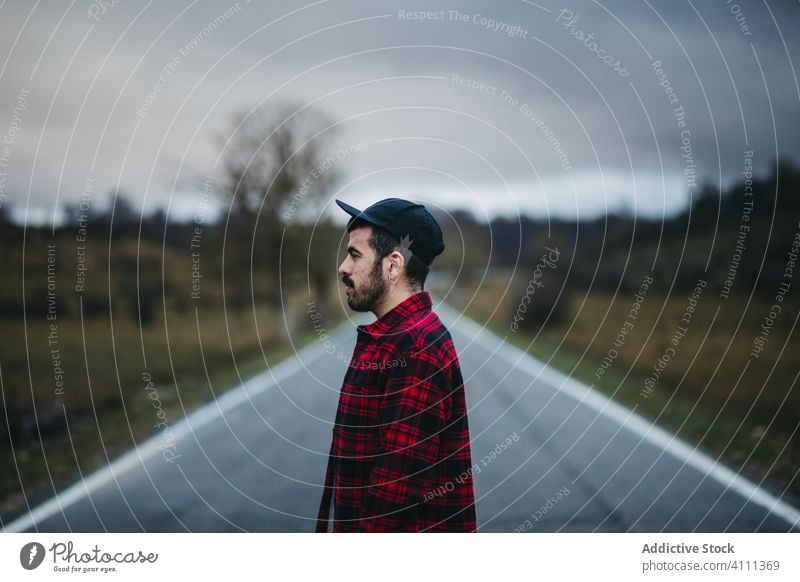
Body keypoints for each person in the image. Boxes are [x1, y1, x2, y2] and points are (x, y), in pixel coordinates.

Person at [315, 198, 477, 532]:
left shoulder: (417, 347)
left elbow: (394, 497)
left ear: (392, 266)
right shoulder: (388, 339)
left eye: (355, 255)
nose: (344, 268)